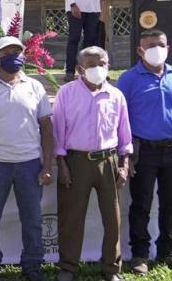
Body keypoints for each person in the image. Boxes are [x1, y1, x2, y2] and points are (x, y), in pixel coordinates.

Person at [0, 36, 53, 281]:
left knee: (33, 219)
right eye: (7, 52)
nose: (13, 56)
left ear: (24, 56)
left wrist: (46, 165)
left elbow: (47, 128)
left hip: (29, 163)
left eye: (17, 51)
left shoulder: (35, 87)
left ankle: (33, 264)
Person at [117, 29, 172, 275]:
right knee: (141, 204)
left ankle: (168, 252)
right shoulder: (129, 79)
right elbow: (121, 120)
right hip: (144, 150)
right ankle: (140, 254)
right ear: (140, 50)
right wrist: (125, 156)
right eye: (150, 45)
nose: (155, 49)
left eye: (160, 44)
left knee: (171, 203)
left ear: (168, 47)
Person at [53, 47, 132, 281]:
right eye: (92, 65)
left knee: (112, 218)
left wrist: (124, 163)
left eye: (103, 63)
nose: (98, 68)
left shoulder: (116, 95)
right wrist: (62, 164)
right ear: (80, 69)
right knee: (71, 217)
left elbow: (124, 134)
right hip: (76, 161)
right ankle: (68, 267)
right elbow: (58, 132)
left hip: (109, 161)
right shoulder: (66, 93)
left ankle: (111, 268)